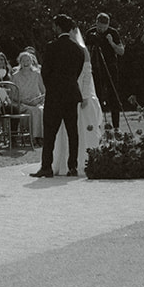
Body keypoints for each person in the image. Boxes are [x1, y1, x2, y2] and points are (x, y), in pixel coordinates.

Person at [31, 16, 86, 178]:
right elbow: (78, 71)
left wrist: (52, 87)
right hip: (71, 93)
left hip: (55, 95)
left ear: (57, 27)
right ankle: (72, 166)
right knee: (72, 132)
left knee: (50, 132)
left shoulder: (51, 47)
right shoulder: (78, 49)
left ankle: (46, 166)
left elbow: (45, 71)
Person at [52, 26, 103, 175]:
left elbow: (87, 74)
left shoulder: (83, 50)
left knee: (85, 129)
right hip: (69, 96)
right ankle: (67, 163)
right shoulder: (64, 51)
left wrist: (85, 96)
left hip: (83, 95)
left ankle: (86, 161)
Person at [88, 12, 125, 129]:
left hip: (110, 67)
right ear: (96, 23)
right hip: (96, 68)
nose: (102, 30)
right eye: (100, 27)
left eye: (104, 28)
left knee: (113, 96)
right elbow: (87, 52)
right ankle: (97, 125)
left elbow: (121, 51)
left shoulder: (113, 33)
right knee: (96, 96)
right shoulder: (90, 33)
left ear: (108, 25)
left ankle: (116, 126)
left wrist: (111, 43)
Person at [11, 50, 45, 141]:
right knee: (32, 111)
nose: (26, 63)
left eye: (28, 60)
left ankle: (41, 137)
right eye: (23, 61)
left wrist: (38, 100)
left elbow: (44, 91)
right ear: (20, 62)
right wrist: (23, 101)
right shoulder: (15, 76)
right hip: (22, 104)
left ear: (31, 61)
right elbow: (12, 95)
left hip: (37, 102)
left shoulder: (37, 74)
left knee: (41, 110)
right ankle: (32, 138)